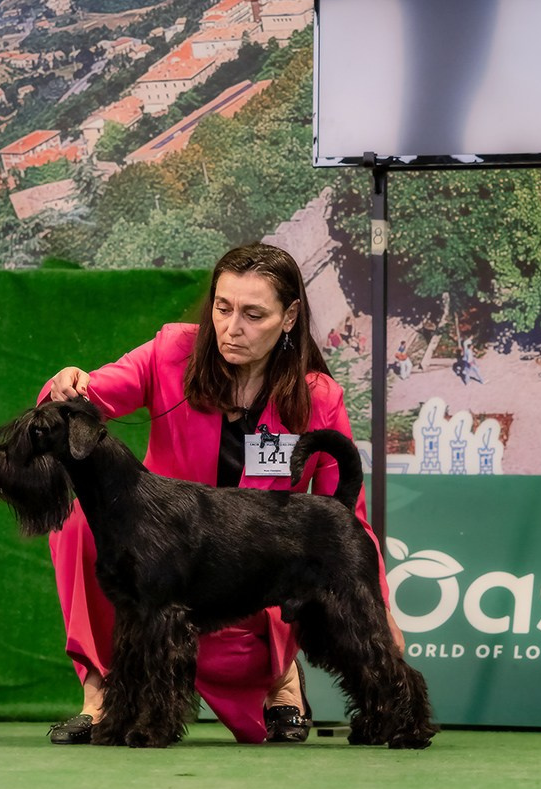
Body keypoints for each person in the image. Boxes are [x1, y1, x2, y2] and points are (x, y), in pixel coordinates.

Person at [39, 243, 404, 746]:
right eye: (223, 307)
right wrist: (67, 386)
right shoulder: (172, 352)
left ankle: (284, 684)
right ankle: (100, 695)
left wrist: (378, 607)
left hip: (250, 588)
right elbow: (77, 408)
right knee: (82, 521)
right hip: (166, 569)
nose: (232, 327)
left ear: (289, 316)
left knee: (339, 625)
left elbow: (347, 523)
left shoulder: (318, 397)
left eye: (254, 314)